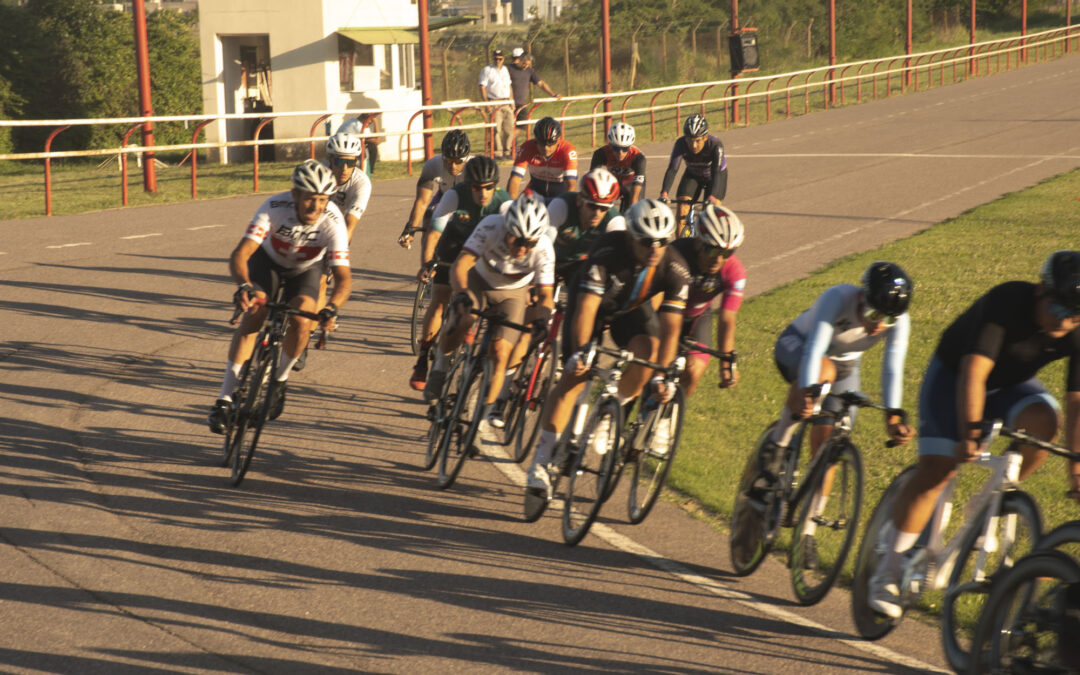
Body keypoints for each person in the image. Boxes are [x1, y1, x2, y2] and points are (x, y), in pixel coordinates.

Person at [867, 251, 1080, 620]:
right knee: (940, 469)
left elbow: (1077, 401)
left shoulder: (1075, 326)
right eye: (1060, 311)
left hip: (1010, 384)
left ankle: (989, 501)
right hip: (954, 379)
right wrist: (968, 433)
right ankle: (888, 568)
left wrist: (1076, 469)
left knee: (1047, 422)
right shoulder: (1008, 301)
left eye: (1075, 316)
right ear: (1040, 291)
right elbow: (974, 373)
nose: (1066, 323)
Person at [524, 199, 690, 495]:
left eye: (662, 242)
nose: (655, 248)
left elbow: (671, 328)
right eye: (646, 241)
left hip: (629, 310)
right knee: (574, 378)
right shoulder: (608, 252)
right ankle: (541, 460)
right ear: (630, 237)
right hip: (591, 304)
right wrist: (582, 351)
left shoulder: (675, 267)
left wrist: (662, 375)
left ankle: (613, 407)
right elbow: (587, 310)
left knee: (650, 354)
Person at [207, 161, 352, 432]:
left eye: (322, 200)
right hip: (269, 263)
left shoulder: (333, 221)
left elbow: (343, 278)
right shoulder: (274, 207)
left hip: (306, 270)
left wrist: (332, 307)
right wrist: (244, 286)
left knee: (302, 319)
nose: (316, 207)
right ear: (295, 194)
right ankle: (224, 399)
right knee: (255, 312)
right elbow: (241, 254)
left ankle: (280, 380)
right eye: (310, 199)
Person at [487, 167, 626, 428]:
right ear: (581, 199)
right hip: (549, 262)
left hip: (583, 271)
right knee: (529, 327)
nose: (597, 213)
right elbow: (540, 247)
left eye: (603, 208)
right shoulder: (562, 206)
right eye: (592, 206)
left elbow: (616, 268)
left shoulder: (615, 223)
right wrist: (534, 289)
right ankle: (501, 398)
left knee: (581, 322)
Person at [423, 192, 556, 433]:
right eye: (517, 240)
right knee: (465, 317)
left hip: (513, 293)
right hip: (479, 281)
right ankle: (440, 367)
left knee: (500, 352)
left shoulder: (544, 248)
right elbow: (462, 265)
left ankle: (480, 420)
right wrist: (461, 293)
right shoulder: (491, 225)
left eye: (530, 243)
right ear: (507, 229)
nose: (523, 248)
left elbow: (546, 296)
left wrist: (541, 321)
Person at [409, 156, 513, 390]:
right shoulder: (454, 195)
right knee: (439, 300)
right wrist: (427, 263)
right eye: (477, 187)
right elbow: (434, 233)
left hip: (484, 252)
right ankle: (423, 358)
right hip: (454, 245)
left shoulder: (504, 203)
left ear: (496, 185)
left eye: (489, 187)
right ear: (468, 184)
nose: (483, 193)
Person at [669, 204, 746, 398]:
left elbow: (727, 319)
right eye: (712, 250)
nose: (718, 259)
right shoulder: (676, 255)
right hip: (665, 314)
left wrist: (726, 364)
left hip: (697, 318)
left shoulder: (734, 271)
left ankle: (666, 421)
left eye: (727, 253)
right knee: (652, 366)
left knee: (692, 373)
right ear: (698, 243)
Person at [396, 130, 472, 250]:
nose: (453, 166)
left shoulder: (474, 167)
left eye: (458, 161)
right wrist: (410, 229)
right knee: (429, 223)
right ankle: (427, 265)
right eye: (448, 160)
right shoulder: (432, 165)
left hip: (469, 201)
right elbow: (422, 202)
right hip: (444, 197)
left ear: (467, 157)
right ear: (442, 156)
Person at [658, 114, 728, 226]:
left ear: (705, 137)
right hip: (693, 174)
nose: (693, 145)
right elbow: (672, 169)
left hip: (714, 176)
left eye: (697, 140)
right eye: (689, 140)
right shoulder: (680, 144)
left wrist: (712, 196)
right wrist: (664, 193)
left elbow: (716, 172)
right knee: (682, 208)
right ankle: (680, 242)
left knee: (711, 212)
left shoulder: (715, 145)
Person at [507, 117, 578, 202]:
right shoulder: (526, 148)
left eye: (550, 143)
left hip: (559, 194)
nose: (546, 148)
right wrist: (511, 204)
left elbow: (570, 185)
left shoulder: (567, 151)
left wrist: (567, 205)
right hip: (535, 192)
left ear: (558, 139)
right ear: (535, 139)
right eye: (541, 143)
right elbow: (515, 180)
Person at [508, 49, 560, 151]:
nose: (525, 66)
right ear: (520, 60)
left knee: (522, 126)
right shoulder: (509, 69)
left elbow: (541, 84)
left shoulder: (529, 71)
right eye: (524, 63)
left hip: (521, 105)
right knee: (510, 127)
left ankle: (507, 143)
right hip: (509, 104)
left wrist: (553, 94)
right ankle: (509, 146)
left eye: (528, 64)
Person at [590, 122, 646, 212]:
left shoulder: (638, 157)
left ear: (630, 146)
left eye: (624, 149)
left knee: (634, 210)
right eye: (616, 148)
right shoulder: (601, 153)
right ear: (610, 145)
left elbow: (634, 197)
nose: (620, 153)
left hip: (631, 184)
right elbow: (593, 180)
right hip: (613, 182)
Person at [477, 49, 515, 160]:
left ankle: (507, 151)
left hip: (506, 102)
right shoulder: (487, 70)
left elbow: (509, 86)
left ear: (503, 59)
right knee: (496, 129)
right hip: (494, 102)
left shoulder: (505, 70)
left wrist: (512, 101)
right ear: (492, 59)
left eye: (500, 59)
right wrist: (487, 104)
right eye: (496, 59)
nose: (498, 61)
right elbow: (482, 87)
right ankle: (498, 153)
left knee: (509, 129)